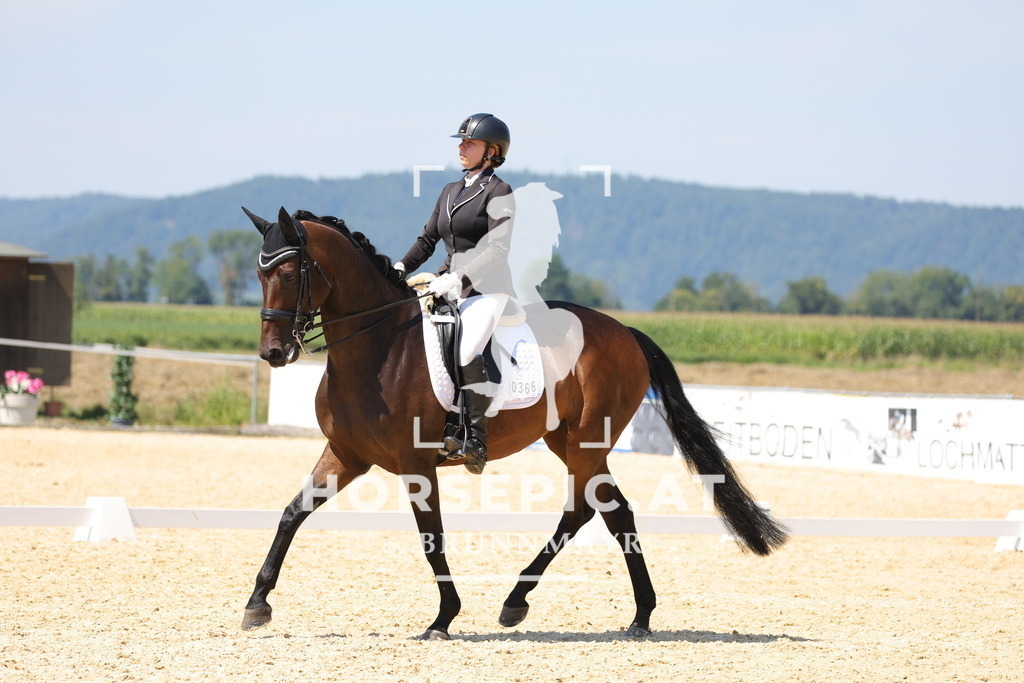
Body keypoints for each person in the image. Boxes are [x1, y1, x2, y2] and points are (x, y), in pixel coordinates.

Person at [394, 113, 515, 475]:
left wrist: (459, 279)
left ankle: (475, 440)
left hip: (487, 290)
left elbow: (498, 248)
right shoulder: (449, 190)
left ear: (491, 151)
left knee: (465, 348)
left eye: (469, 143)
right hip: (446, 286)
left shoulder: (500, 192)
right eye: (460, 142)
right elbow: (428, 239)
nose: (461, 148)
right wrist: (401, 268)